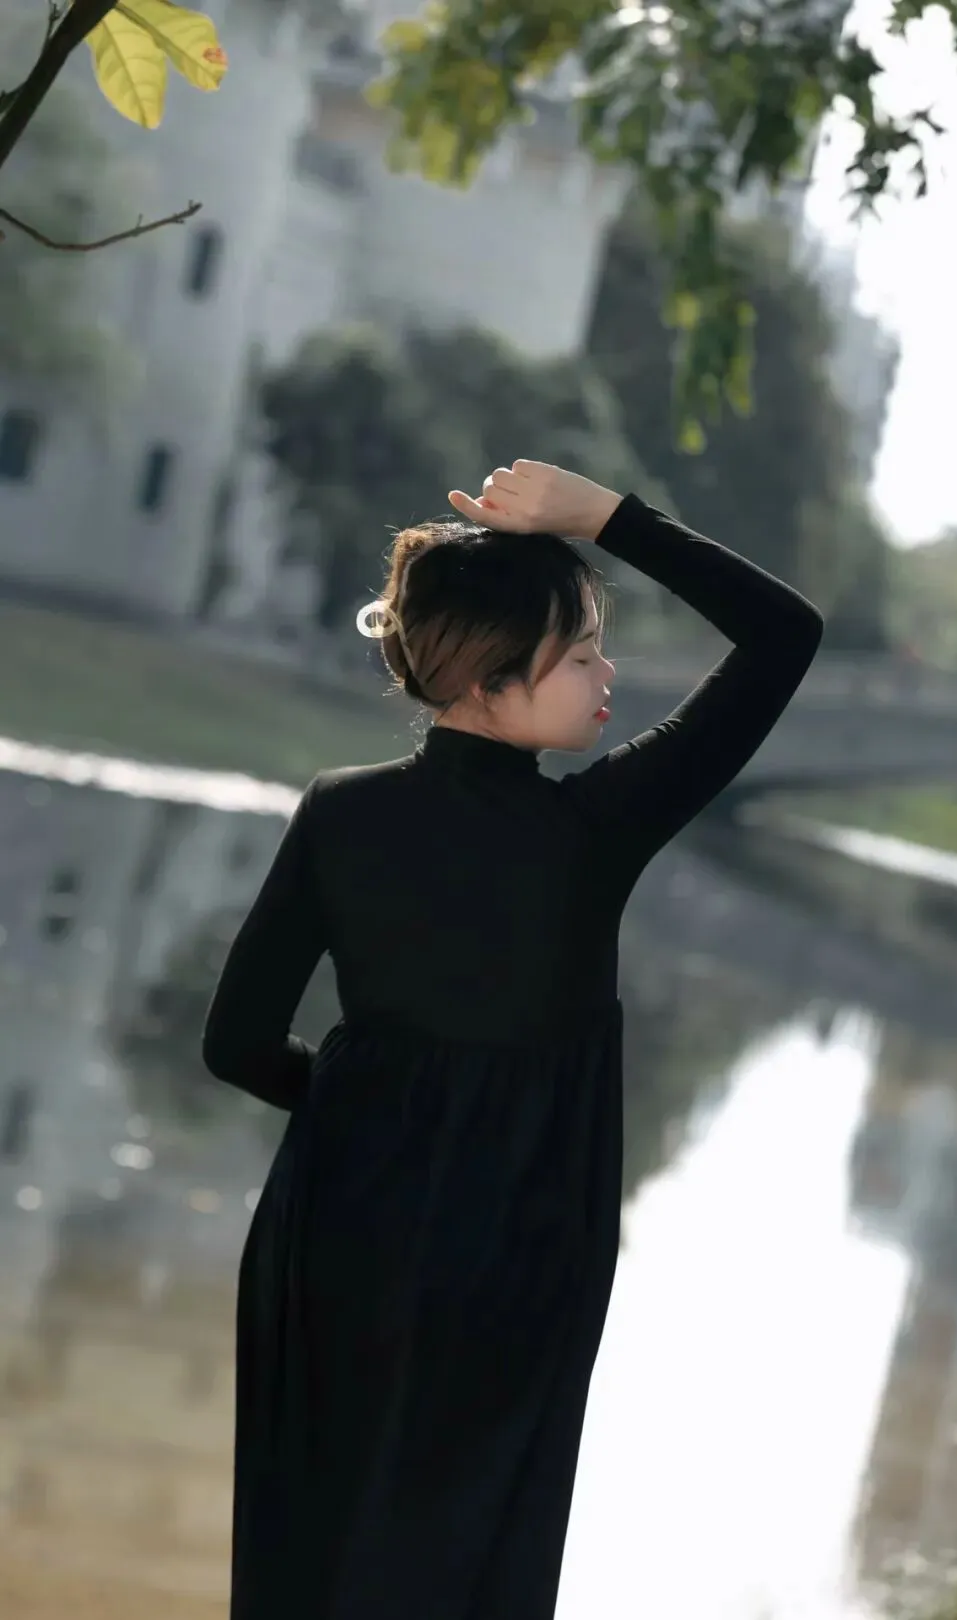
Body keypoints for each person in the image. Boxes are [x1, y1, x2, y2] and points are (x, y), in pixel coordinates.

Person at [202, 460, 823, 1620]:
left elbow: (236, 1046)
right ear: (491, 679)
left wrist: (362, 1107)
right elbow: (785, 634)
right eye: (581, 652)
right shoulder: (595, 827)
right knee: (462, 1562)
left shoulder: (339, 811)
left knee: (311, 1545)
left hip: (334, 1229)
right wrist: (609, 519)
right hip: (519, 1248)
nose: (608, 673)